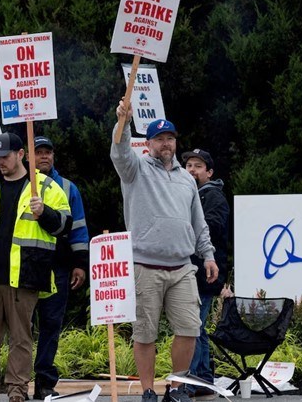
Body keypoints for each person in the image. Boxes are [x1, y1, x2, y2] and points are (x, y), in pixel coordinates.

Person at [110, 103, 218, 402]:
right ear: (148, 143)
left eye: (170, 138)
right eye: (159, 138)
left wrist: (207, 255)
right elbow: (119, 151)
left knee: (190, 328)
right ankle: (147, 391)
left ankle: (177, 386)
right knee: (145, 333)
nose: (166, 143)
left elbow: (198, 221)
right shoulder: (135, 169)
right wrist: (123, 122)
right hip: (145, 265)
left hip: (183, 266)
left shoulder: (187, 179)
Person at [0, 132, 72, 402]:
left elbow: (65, 225)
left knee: (21, 338)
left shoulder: (44, 186)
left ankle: (17, 391)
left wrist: (44, 211)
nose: (0, 162)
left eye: (5, 156)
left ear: (21, 154)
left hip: (25, 275)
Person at [31, 136, 90, 400]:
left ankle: (44, 383)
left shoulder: (68, 187)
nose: (44, 157)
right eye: (39, 152)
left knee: (51, 325)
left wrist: (80, 264)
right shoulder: (21, 184)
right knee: (21, 327)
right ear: (28, 156)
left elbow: (78, 228)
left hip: (58, 266)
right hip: (26, 266)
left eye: (48, 152)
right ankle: (18, 381)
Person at [181, 148, 230, 396]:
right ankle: (203, 379)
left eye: (198, 166)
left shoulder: (213, 198)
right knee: (196, 327)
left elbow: (210, 228)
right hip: (193, 272)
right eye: (189, 165)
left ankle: (192, 381)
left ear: (209, 172)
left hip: (204, 274)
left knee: (192, 327)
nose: (192, 170)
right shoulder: (189, 195)